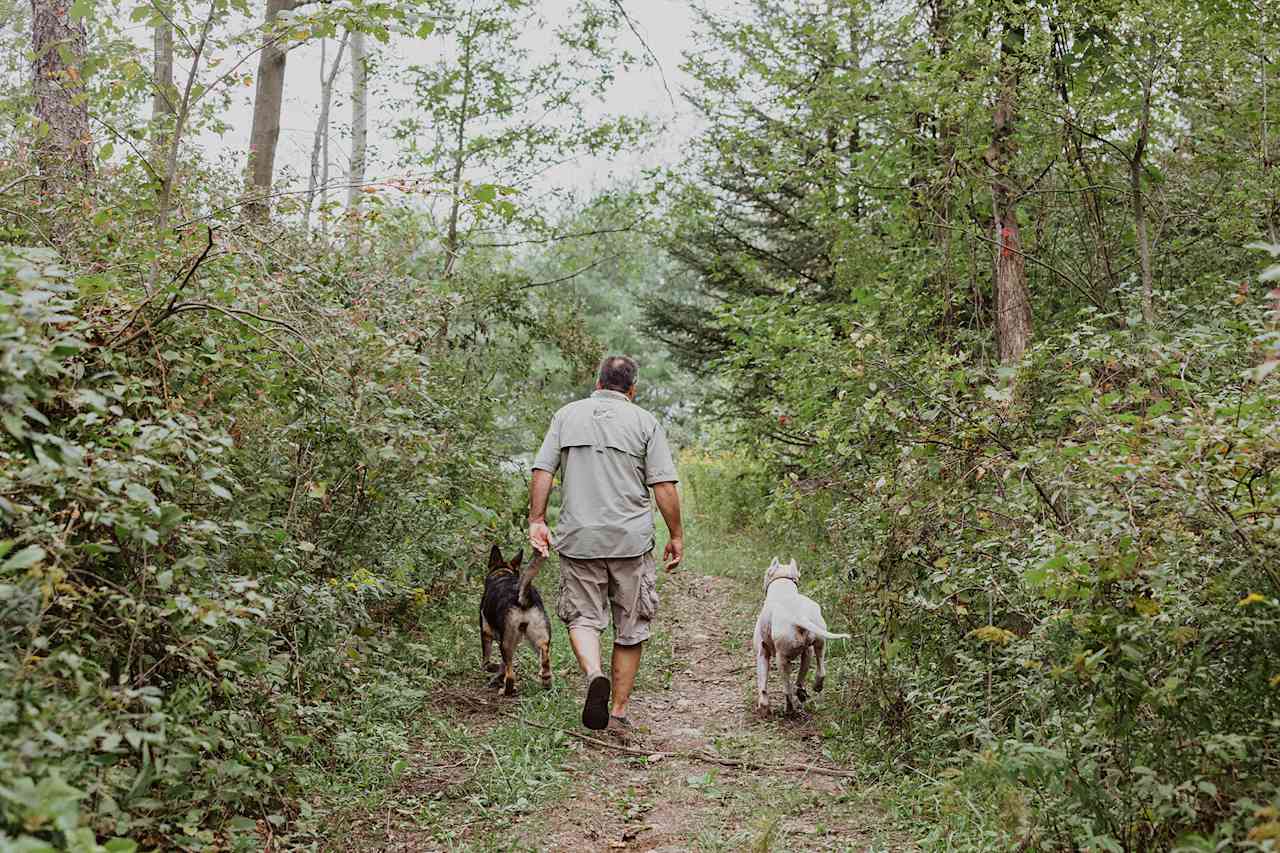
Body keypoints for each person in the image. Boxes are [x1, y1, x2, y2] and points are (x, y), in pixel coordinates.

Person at [528, 355, 684, 733]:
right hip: (630, 541)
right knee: (630, 628)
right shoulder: (645, 422)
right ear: (631, 390)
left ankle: (594, 672)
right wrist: (676, 535)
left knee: (582, 618)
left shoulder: (566, 416)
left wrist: (538, 519)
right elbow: (663, 486)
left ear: (597, 383)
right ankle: (616, 712)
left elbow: (543, 469)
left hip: (580, 538)